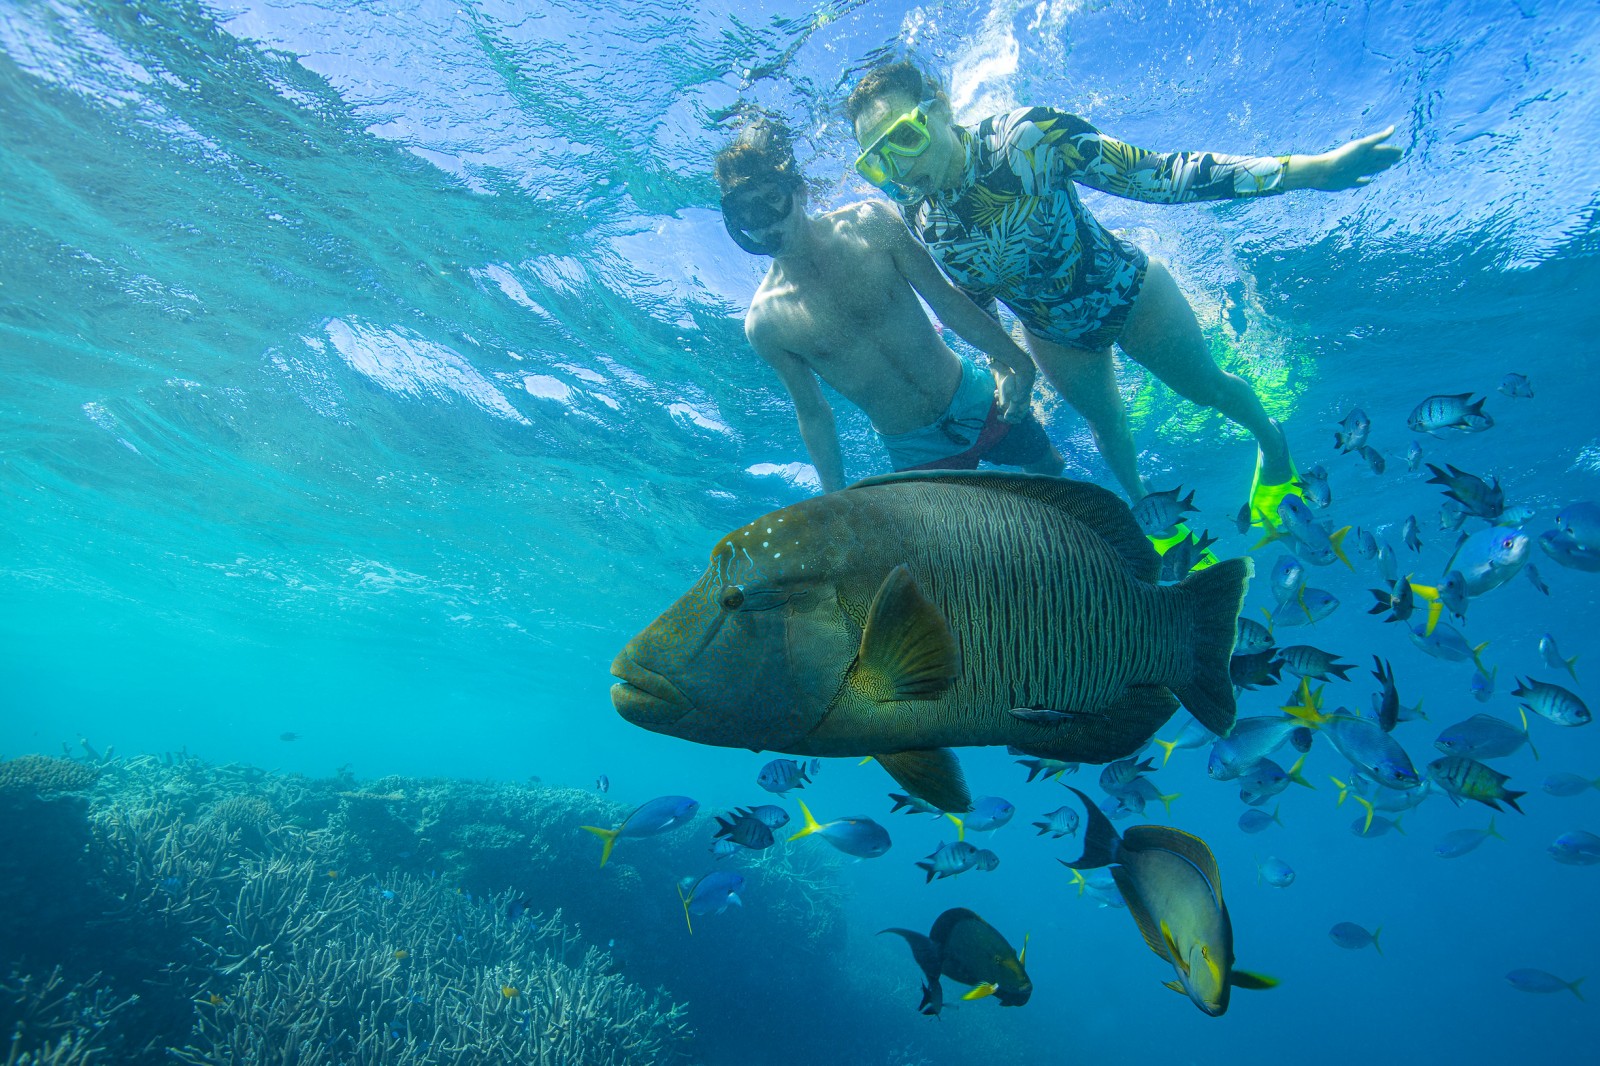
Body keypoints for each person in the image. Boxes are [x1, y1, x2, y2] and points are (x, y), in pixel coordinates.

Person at [845, 61, 1402, 529]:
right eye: (877, 160)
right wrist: (1002, 364)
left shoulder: (1027, 139)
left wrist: (1309, 171)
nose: (899, 166)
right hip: (1053, 335)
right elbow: (972, 292)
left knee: (1206, 388)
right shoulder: (921, 216)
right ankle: (1151, 520)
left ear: (939, 108)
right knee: (1107, 427)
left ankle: (1273, 444)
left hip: (1130, 292)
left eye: (905, 137)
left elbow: (1159, 175)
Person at [714, 119, 1063, 494]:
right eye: (747, 213)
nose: (764, 226)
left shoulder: (870, 222)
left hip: (975, 397)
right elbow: (813, 413)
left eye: (771, 201)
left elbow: (947, 302)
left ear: (798, 190)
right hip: (914, 449)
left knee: (1050, 470)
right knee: (960, 544)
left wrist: (1018, 363)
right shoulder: (765, 323)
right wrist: (835, 497)